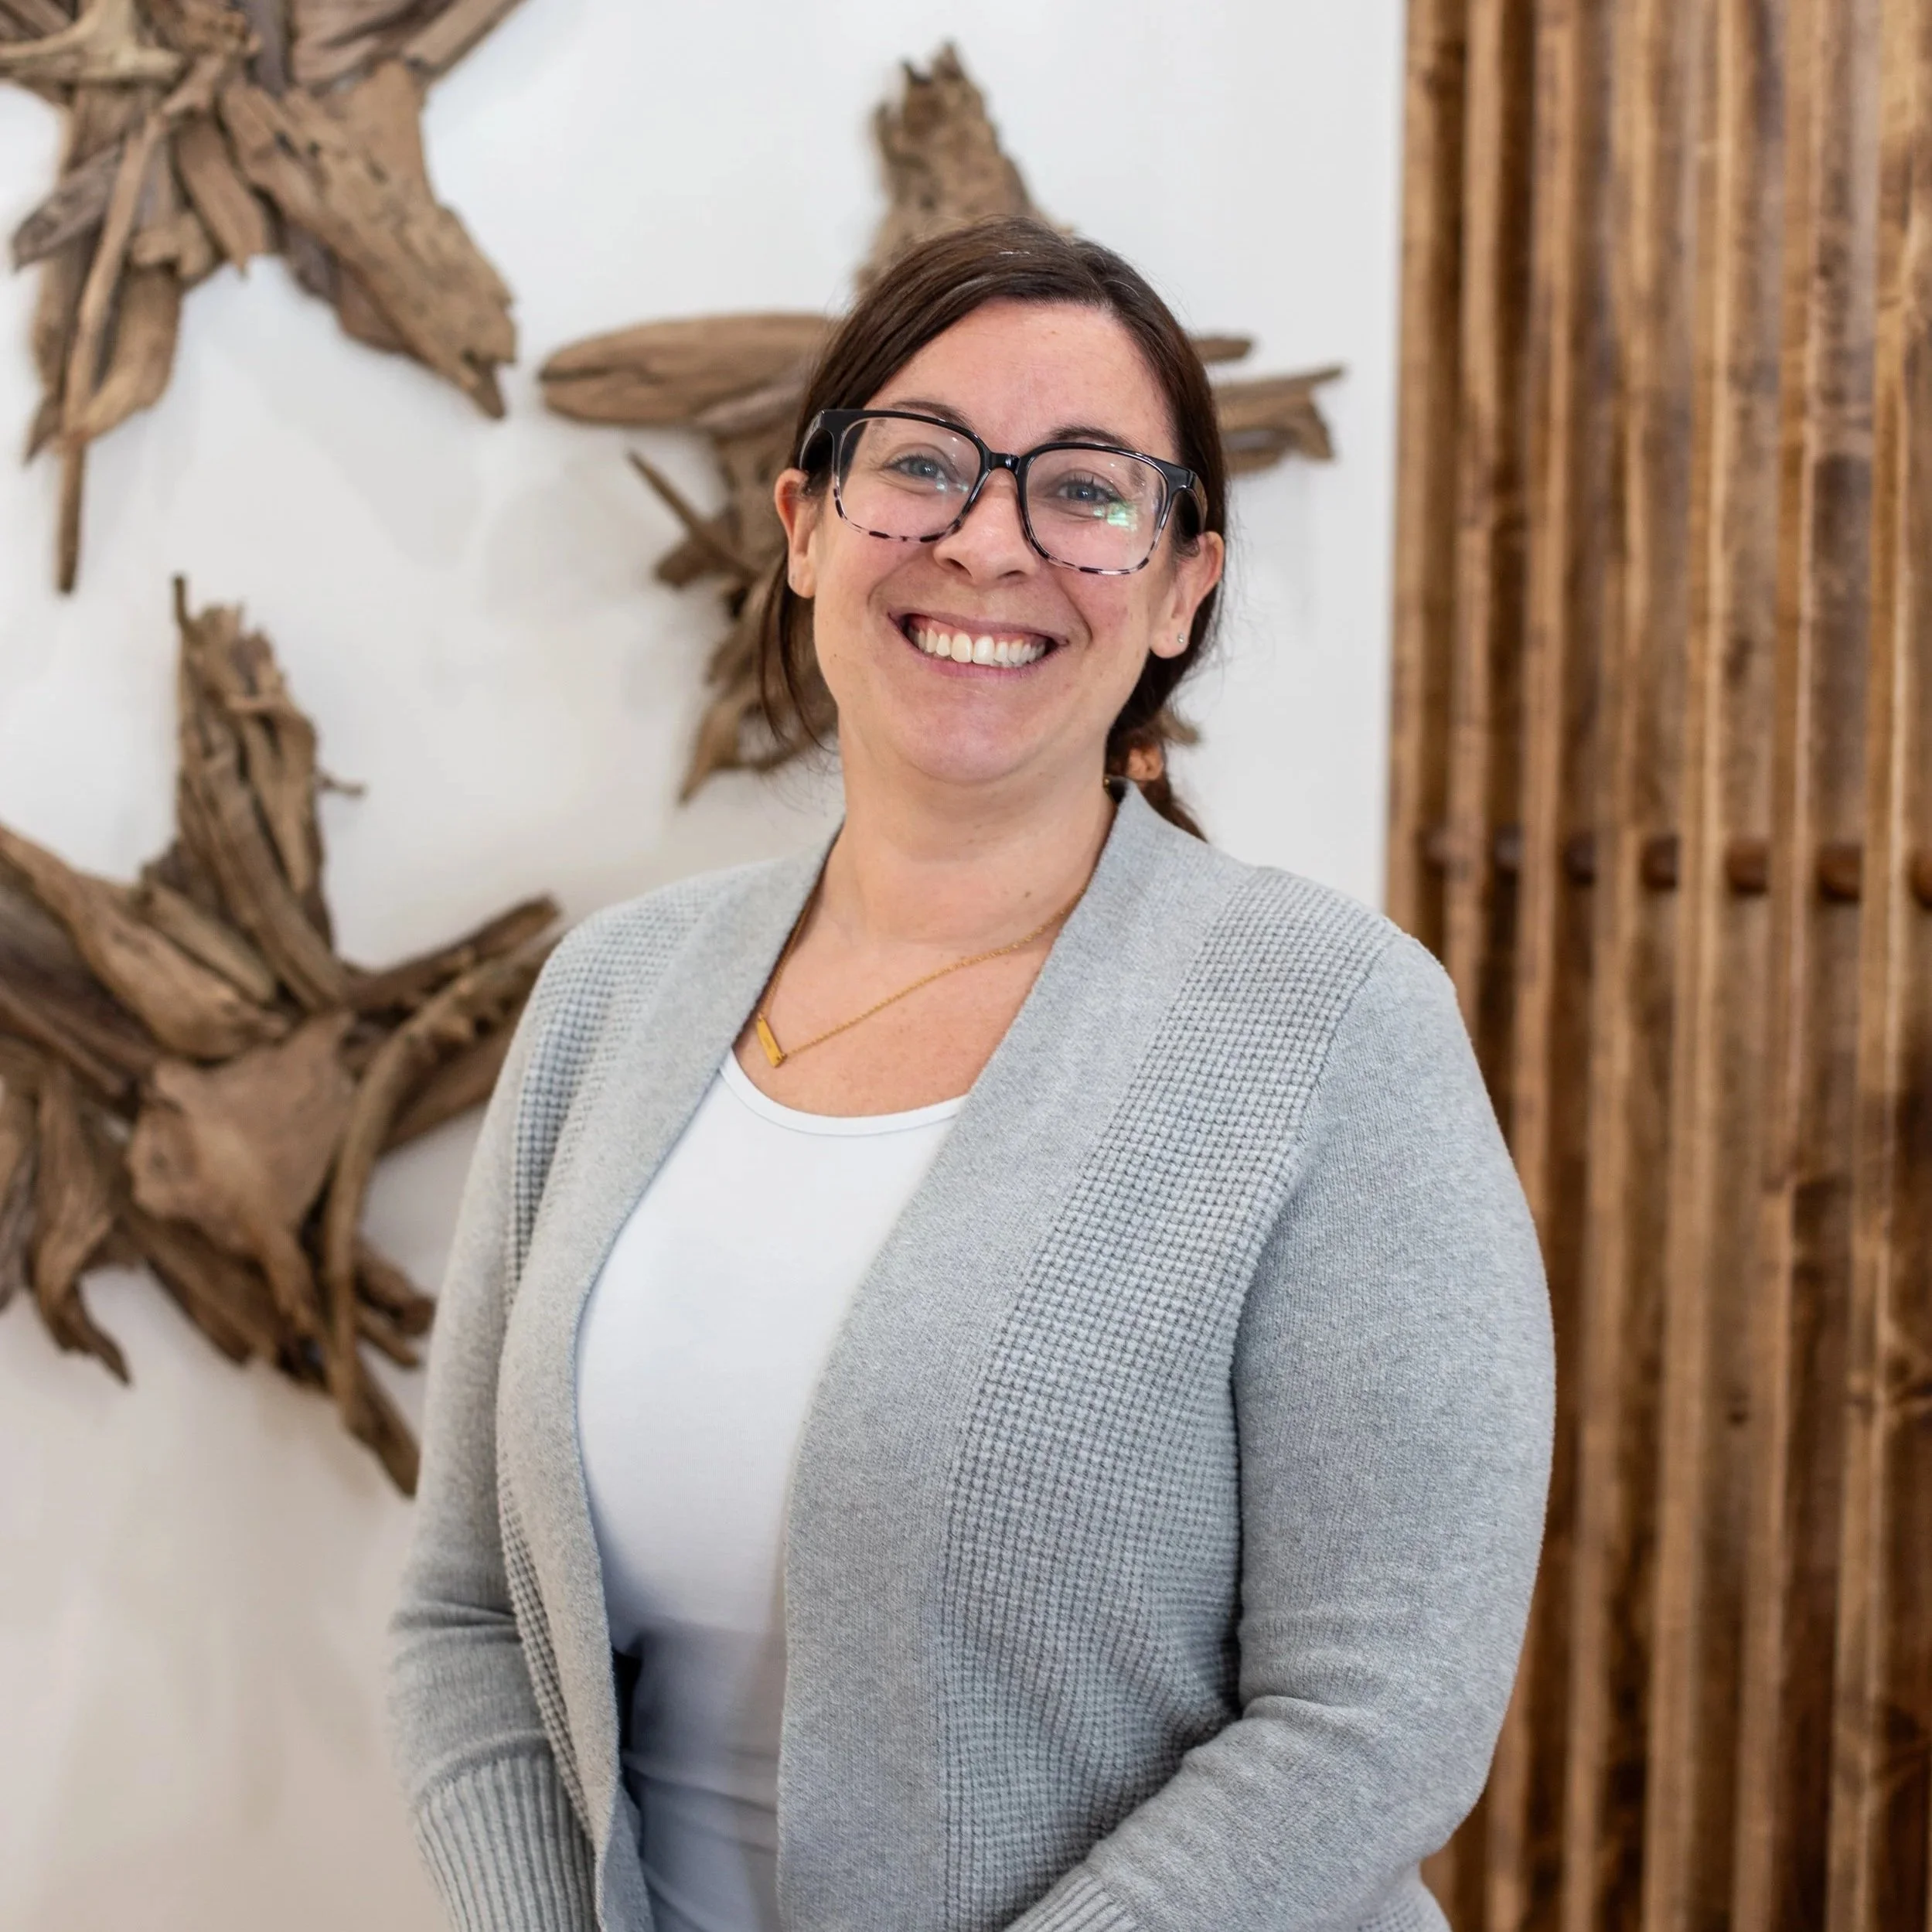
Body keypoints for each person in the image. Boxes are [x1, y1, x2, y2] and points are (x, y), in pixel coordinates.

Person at [388, 216, 1553, 1932]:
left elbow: (1378, 1714)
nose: (987, 540)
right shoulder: (608, 1003)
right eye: (921, 465)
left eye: (1084, 489)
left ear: (1179, 583)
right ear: (805, 529)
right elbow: (470, 1615)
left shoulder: (1336, 1029)